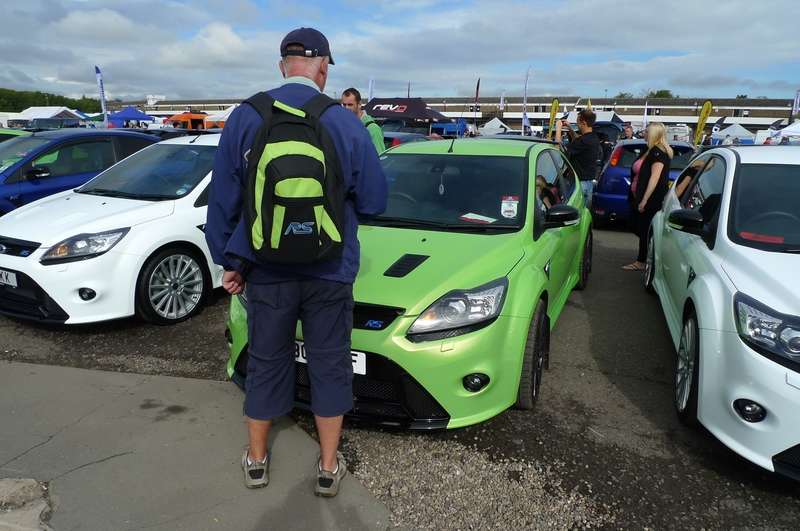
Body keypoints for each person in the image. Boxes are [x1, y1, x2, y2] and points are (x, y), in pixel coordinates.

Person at [205, 27, 388, 496]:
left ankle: (257, 459)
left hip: (264, 268)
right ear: (324, 66)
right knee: (329, 362)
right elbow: (373, 200)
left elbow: (223, 201)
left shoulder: (244, 117)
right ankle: (328, 467)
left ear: (281, 64)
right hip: (330, 268)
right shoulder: (345, 121)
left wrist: (229, 260)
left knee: (266, 360)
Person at [623, 122, 673, 271]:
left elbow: (654, 178)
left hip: (651, 199)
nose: (643, 133)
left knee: (644, 228)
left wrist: (644, 200)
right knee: (635, 225)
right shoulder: (648, 150)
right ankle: (648, 252)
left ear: (653, 134)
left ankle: (642, 260)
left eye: (646, 131)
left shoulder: (658, 153)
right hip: (637, 195)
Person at [556, 109, 600, 208]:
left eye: (578, 122)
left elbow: (557, 149)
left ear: (583, 123)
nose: (577, 125)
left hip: (579, 185)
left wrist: (558, 128)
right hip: (588, 184)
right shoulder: (593, 138)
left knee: (573, 215)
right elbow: (578, 139)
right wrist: (570, 128)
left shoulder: (583, 141)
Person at [341, 87, 384, 153]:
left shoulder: (372, 129)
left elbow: (380, 158)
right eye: (344, 105)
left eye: (350, 105)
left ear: (359, 104)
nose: (346, 108)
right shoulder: (344, 127)